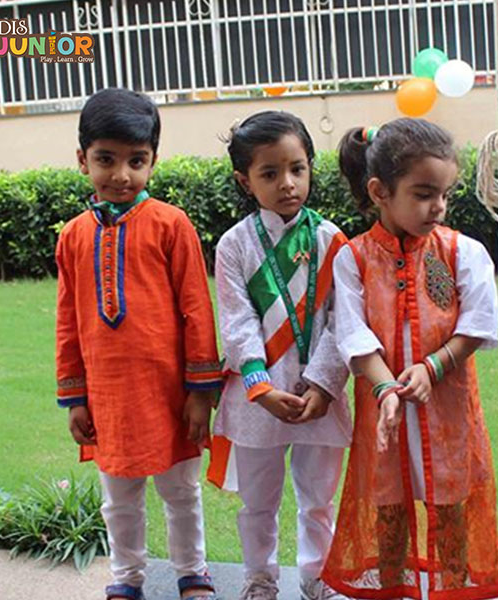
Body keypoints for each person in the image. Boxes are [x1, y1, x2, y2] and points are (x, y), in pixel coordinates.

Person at [321, 118, 498, 600]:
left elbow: (478, 324)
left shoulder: (462, 251)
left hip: (447, 411)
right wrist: (386, 388)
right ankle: (393, 588)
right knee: (388, 510)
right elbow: (352, 333)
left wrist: (433, 368)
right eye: (424, 194)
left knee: (450, 508)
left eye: (445, 194)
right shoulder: (352, 258)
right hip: (384, 414)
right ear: (379, 192)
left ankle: (452, 590)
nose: (439, 207)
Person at [55, 88, 222, 600]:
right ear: (82, 159)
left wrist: (200, 393)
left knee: (181, 491)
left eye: (136, 160)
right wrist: (75, 397)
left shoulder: (172, 224)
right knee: (119, 498)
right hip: (108, 397)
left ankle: (192, 571)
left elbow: (197, 309)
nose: (122, 175)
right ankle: (126, 578)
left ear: (153, 160)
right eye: (106, 159)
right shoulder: (73, 236)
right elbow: (67, 321)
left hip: (170, 394)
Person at [206, 110, 353, 600]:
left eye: (297, 169)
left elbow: (341, 320)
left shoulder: (331, 240)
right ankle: (259, 579)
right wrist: (260, 386)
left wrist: (323, 385)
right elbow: (237, 319)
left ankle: (317, 576)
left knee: (319, 500)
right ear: (244, 181)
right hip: (258, 399)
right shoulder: (234, 245)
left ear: (310, 167)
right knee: (257, 503)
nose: (287, 183)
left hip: (318, 397)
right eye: (269, 173)